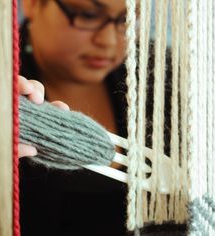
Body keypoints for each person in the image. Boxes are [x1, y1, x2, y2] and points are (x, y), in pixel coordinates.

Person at [18, 0, 186, 235]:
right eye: (88, 15)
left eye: (125, 20)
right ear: (33, 4)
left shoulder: (165, 79)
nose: (108, 41)